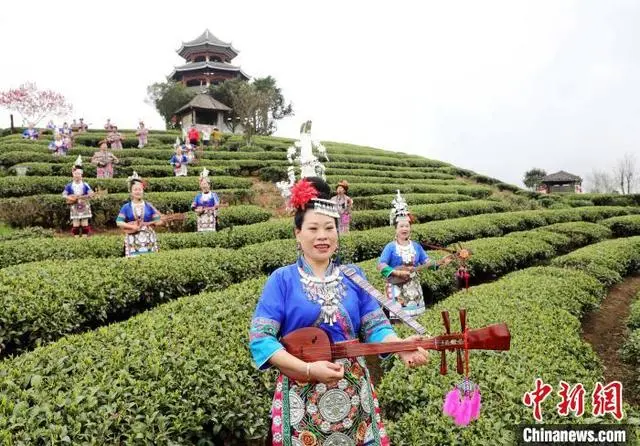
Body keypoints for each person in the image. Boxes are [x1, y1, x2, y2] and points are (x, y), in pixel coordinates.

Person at [249, 177, 429, 446]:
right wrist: (308, 369)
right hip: (301, 396)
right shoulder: (282, 280)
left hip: (353, 390)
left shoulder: (352, 276)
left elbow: (375, 326)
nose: (322, 236)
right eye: (313, 228)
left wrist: (399, 346)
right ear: (297, 233)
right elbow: (261, 340)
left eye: (329, 228)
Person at [377, 191, 451, 319]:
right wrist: (398, 273)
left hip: (414, 290)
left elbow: (427, 262)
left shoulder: (416, 246)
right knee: (398, 321)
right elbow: (381, 265)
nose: (404, 229)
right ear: (396, 228)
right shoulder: (390, 247)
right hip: (396, 289)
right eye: (401, 226)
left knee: (416, 321)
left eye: (407, 226)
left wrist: (440, 263)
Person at [116, 173, 164, 257]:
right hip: (132, 238)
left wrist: (160, 221)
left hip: (148, 238)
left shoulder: (149, 206)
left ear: (143, 191)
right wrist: (132, 227)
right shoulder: (126, 207)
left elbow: (157, 221)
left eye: (140, 189)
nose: (138, 192)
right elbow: (119, 222)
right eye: (135, 189)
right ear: (131, 192)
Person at [62, 156, 94, 237]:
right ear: (73, 174)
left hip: (84, 204)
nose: (77, 175)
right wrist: (70, 197)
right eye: (76, 174)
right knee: (75, 223)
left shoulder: (85, 184)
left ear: (81, 175)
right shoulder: (69, 185)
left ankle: (84, 237)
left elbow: (91, 193)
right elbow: (64, 194)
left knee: (84, 222)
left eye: (79, 174)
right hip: (74, 204)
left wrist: (89, 195)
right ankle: (76, 238)